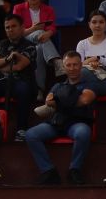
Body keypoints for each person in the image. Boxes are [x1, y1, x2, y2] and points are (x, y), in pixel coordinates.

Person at [24, 51, 96, 186]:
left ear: (81, 65)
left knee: (83, 132)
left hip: (77, 123)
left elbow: (85, 100)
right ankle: (48, 171)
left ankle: (74, 170)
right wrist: (73, 99)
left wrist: (59, 100)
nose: (72, 68)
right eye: (68, 65)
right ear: (64, 67)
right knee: (31, 134)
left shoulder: (89, 84)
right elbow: (48, 101)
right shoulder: (58, 85)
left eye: (75, 64)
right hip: (57, 123)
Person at [0, 12, 40, 134]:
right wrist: (6, 60)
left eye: (13, 26)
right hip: (0, 81)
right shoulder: (0, 45)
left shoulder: (30, 46)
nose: (10, 29)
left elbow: (18, 67)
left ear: (22, 28)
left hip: (21, 81)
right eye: (7, 27)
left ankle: (21, 129)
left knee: (24, 90)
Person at [75, 10, 106, 98]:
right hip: (89, 81)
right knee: (85, 82)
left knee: (82, 78)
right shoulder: (82, 44)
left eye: (101, 22)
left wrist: (99, 59)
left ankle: (70, 91)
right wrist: (91, 63)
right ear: (89, 24)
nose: (97, 25)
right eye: (94, 22)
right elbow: (77, 67)